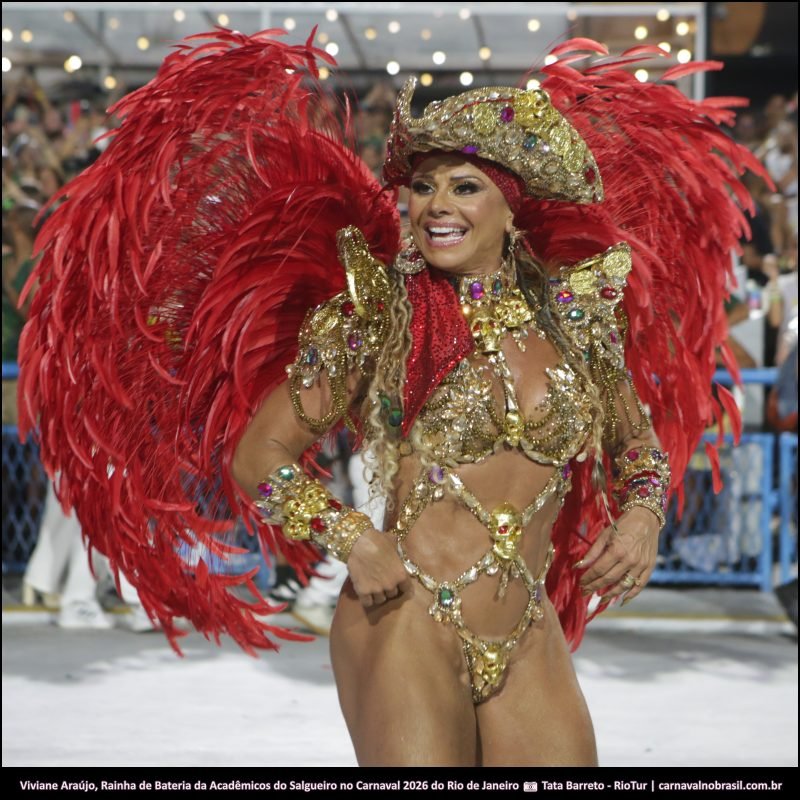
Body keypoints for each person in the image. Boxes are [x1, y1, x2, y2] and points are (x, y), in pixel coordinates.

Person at [18, 31, 762, 766]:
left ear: (513, 209)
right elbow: (258, 456)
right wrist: (354, 539)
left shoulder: (575, 320)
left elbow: (637, 446)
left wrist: (641, 515)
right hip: (406, 615)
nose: (435, 204)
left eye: (463, 186)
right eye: (423, 185)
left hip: (525, 629)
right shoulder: (380, 315)